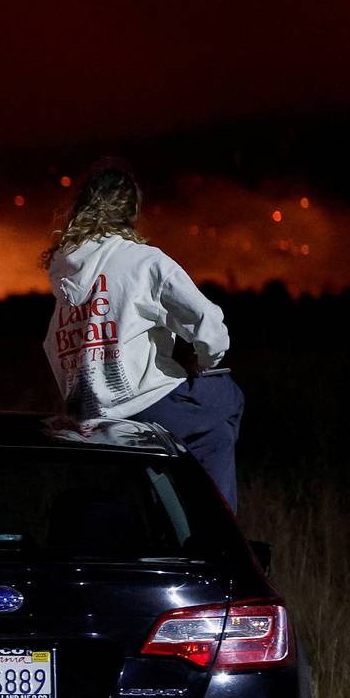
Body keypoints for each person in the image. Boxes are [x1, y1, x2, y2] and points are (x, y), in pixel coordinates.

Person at [41, 159, 242, 508]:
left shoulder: (64, 277)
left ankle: (167, 505)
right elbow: (209, 324)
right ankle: (215, 532)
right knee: (226, 401)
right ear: (131, 211)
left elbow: (51, 347)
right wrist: (204, 361)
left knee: (207, 441)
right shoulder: (144, 261)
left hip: (94, 417)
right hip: (150, 405)